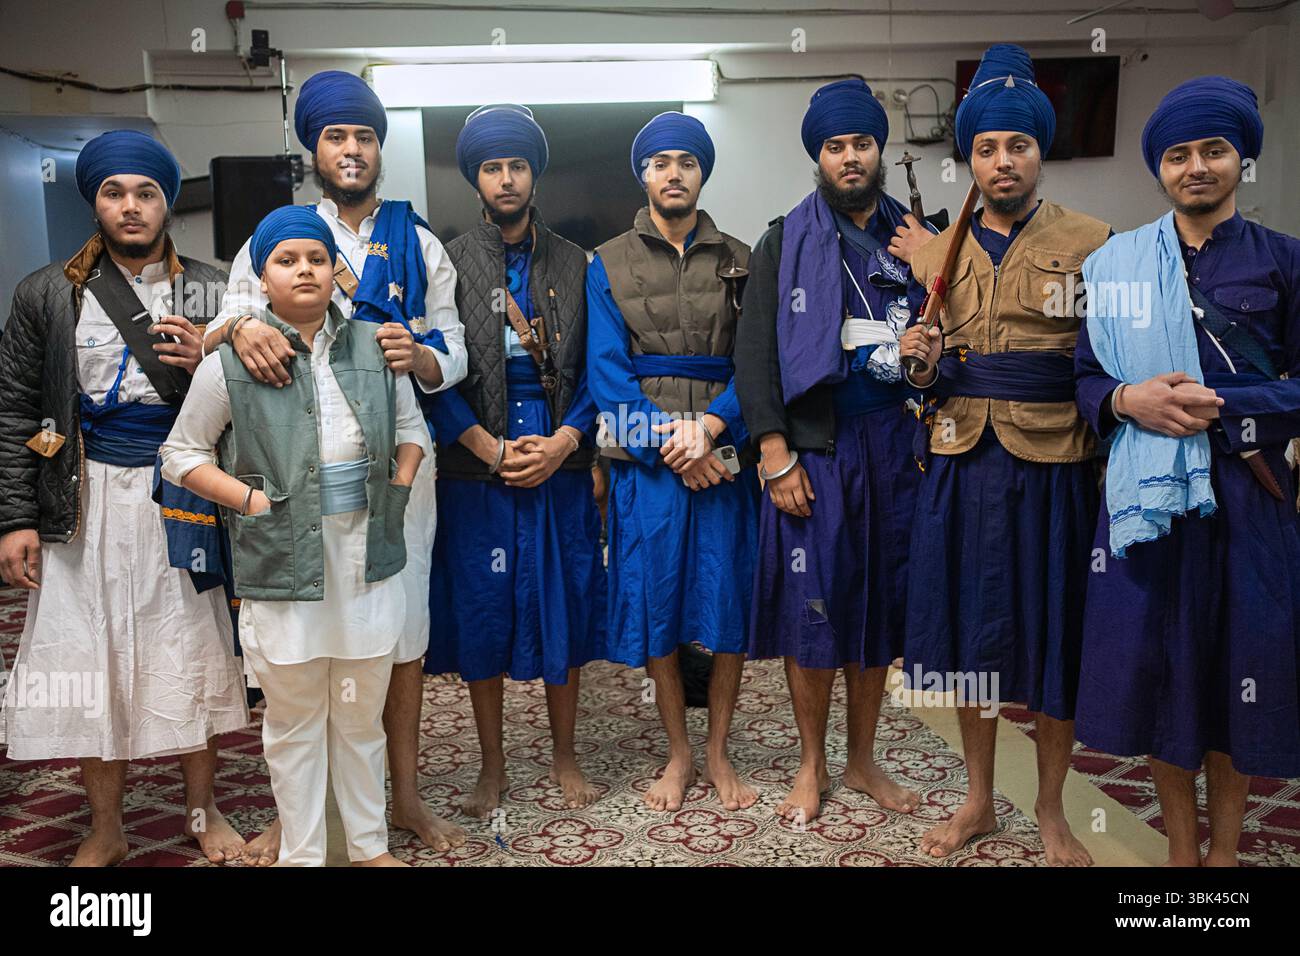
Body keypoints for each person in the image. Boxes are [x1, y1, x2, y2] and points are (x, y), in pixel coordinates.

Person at [202, 70, 469, 861]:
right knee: (302, 649)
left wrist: (419, 353)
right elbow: (228, 318)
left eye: (364, 138)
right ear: (312, 148)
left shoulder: (419, 241)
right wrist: (241, 326)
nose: (351, 151)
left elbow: (454, 347)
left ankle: (404, 801)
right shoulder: (281, 234)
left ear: (380, 148)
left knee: (396, 637)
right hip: (290, 482)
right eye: (336, 138)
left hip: (393, 482)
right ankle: (301, 821)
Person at [0, 130, 248, 866]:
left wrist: (212, 349)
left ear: (168, 201)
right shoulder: (47, 291)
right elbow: (16, 407)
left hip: (184, 493)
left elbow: (261, 396)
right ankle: (107, 827)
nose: (131, 207)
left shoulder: (214, 285)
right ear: (94, 202)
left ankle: (202, 813)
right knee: (89, 661)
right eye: (115, 192)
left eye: (146, 192)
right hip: (81, 502)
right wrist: (15, 518)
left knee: (192, 652)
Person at [1074, 76, 1300, 866]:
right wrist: (1131, 397)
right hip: (1149, 499)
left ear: (1243, 158)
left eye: (1213, 150)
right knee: (1166, 679)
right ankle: (1179, 854)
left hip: (1250, 495)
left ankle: (1228, 854)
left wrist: (1222, 406)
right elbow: (1085, 381)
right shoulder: (1117, 265)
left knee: (1237, 676)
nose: (1196, 167)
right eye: (1177, 155)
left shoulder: (1285, 262)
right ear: (1159, 169)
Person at [163, 205, 431, 867]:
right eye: (287, 260)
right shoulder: (231, 362)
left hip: (367, 559)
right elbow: (180, 454)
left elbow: (414, 432)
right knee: (293, 725)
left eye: (316, 258)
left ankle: (368, 849)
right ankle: (304, 855)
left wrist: (397, 486)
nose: (305, 270)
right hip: (282, 562)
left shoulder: (375, 346)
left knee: (360, 718)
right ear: (263, 277)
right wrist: (250, 499)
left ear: (335, 271)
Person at [897, 44, 1109, 865]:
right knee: (970, 642)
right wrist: (923, 361)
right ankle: (980, 800)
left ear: (1038, 152)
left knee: (1054, 636)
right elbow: (925, 371)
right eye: (986, 147)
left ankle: (1052, 810)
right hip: (958, 458)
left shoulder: (1096, 242)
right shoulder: (934, 251)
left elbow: (1105, 362)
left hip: (1053, 462)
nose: (1002, 160)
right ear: (970, 158)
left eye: (1016, 145)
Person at [735, 78, 932, 824]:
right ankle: (812, 766)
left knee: (878, 608)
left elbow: (952, 346)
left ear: (880, 150)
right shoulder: (783, 241)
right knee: (814, 613)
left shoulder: (917, 234)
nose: (850, 157)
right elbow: (753, 359)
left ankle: (861, 761)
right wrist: (776, 454)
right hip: (816, 449)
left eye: (862, 143)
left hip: (896, 446)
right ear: (818, 156)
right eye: (835, 146)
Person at [423, 104, 607, 817]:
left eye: (518, 166)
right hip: (477, 462)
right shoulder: (447, 260)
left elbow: (600, 367)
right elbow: (429, 372)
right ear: (477, 179)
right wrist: (485, 445)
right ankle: (492, 767)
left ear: (535, 176)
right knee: (483, 609)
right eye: (493, 167)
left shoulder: (576, 262)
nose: (506, 179)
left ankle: (564, 755)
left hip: (556, 455)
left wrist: (566, 441)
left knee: (562, 599)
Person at [587, 112, 760, 813]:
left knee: (723, 607)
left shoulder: (743, 258)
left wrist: (712, 430)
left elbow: (757, 362)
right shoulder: (605, 261)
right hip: (648, 456)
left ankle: (718, 751)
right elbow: (605, 371)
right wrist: (672, 443)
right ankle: (679, 754)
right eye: (660, 162)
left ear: (701, 173)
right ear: (644, 176)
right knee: (658, 603)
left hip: (723, 446)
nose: (674, 172)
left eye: (686, 161)